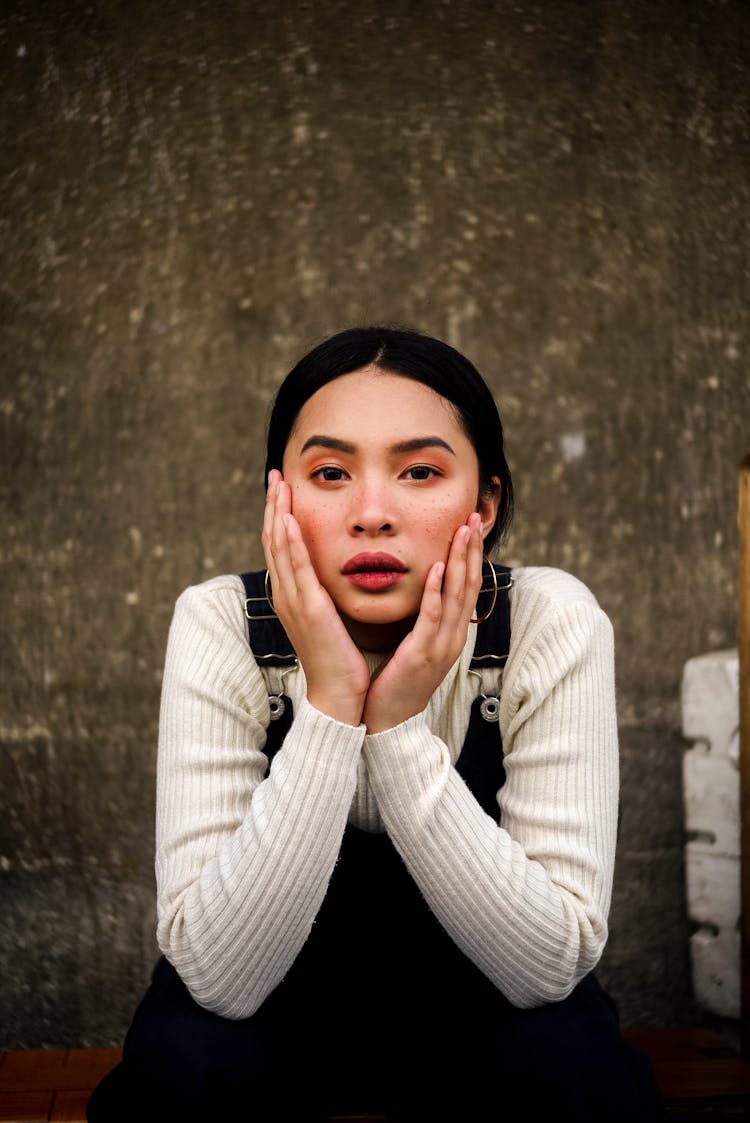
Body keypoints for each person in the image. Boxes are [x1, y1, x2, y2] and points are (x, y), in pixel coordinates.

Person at [88, 327, 662, 1121]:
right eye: (329, 473)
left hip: (487, 1011)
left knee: (572, 1070)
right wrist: (329, 700)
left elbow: (548, 966)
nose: (371, 513)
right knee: (186, 1068)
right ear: (278, 497)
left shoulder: (545, 624)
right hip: (268, 1019)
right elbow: (220, 977)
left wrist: (395, 727)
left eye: (420, 471)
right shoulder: (222, 624)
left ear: (485, 503)